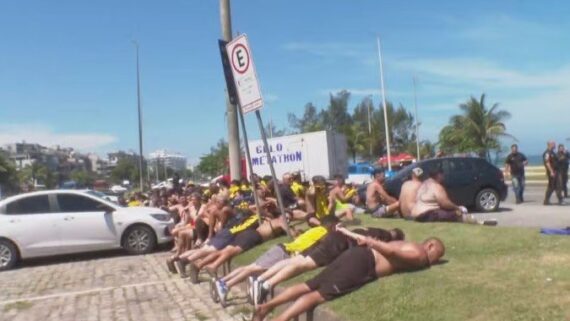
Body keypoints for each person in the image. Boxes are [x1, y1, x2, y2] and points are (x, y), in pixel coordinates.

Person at [252, 235, 445, 321]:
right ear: (430, 245)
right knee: (319, 295)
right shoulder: (420, 253)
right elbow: (391, 251)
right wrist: (372, 242)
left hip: (356, 255)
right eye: (437, 254)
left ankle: (266, 307)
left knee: (309, 285)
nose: (435, 260)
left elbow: (394, 250)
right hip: (363, 263)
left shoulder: (409, 243)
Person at [251, 224, 405, 306]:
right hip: (339, 243)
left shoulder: (374, 228)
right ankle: (267, 285)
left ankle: (262, 279)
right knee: (303, 265)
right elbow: (361, 239)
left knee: (296, 261)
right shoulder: (383, 236)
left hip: (333, 238)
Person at [212, 216, 339, 305]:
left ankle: (223, 282)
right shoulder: (323, 232)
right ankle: (225, 285)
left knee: (250, 267)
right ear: (332, 225)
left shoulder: (315, 230)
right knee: (252, 268)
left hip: (281, 248)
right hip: (285, 252)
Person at [543, 141, 563, 205]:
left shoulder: (553, 153)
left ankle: (560, 199)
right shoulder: (547, 153)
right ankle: (546, 200)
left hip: (556, 171)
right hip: (553, 171)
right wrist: (551, 171)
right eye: (554, 144)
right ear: (550, 145)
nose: (555, 145)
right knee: (552, 186)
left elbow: (555, 161)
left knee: (557, 186)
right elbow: (547, 162)